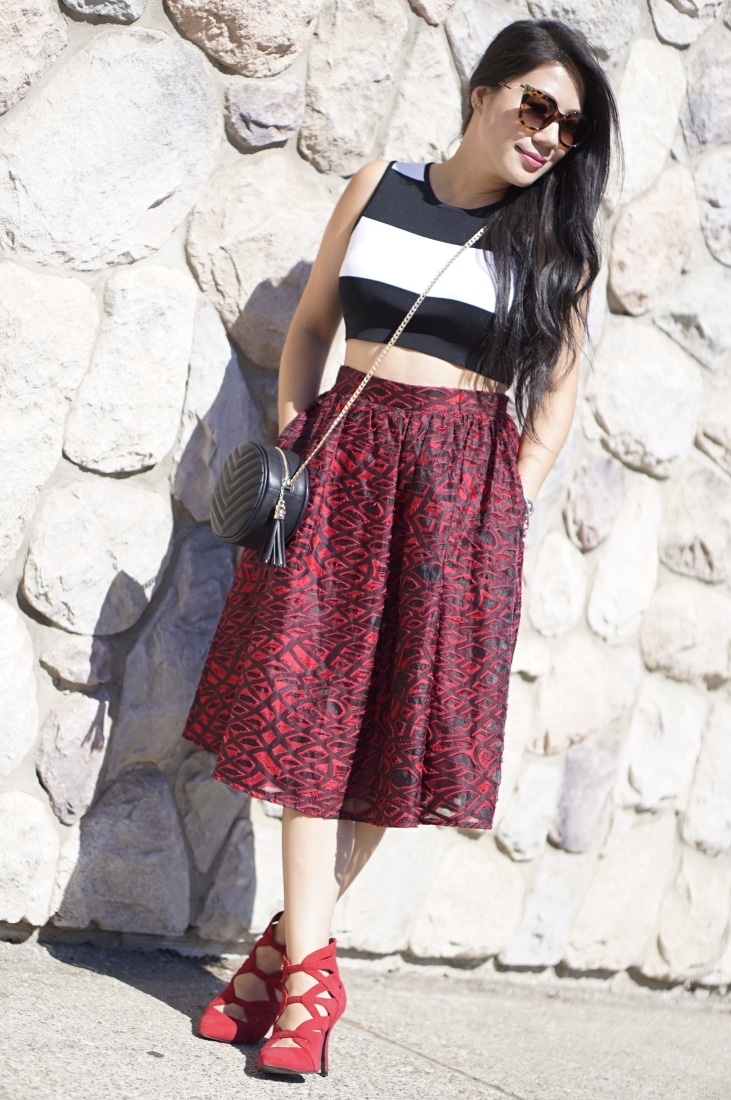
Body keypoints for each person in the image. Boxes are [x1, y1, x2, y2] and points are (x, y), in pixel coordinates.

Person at [183, 17, 619, 1079]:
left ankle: (286, 963)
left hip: (457, 501)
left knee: (389, 731)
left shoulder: (549, 246)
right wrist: (295, 444)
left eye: (565, 128)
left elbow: (555, 397)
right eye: (535, 106)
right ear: (484, 91)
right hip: (343, 467)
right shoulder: (381, 185)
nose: (547, 136)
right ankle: (312, 973)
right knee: (305, 721)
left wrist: (497, 508)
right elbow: (310, 328)